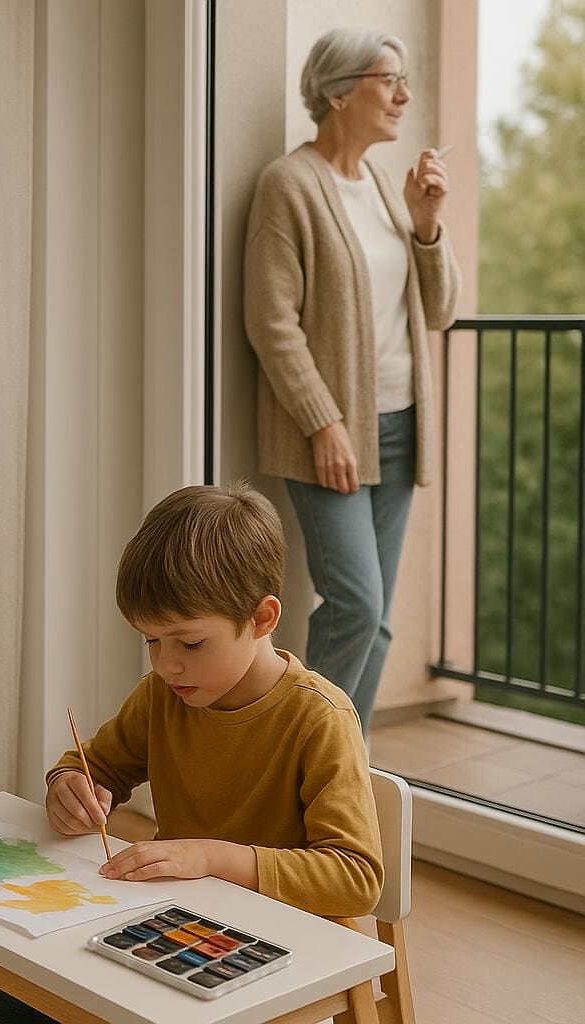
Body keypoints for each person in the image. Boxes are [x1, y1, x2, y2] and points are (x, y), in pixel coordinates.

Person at [0, 484, 383, 1024]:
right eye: (150, 641)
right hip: (176, 930)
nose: (167, 665)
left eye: (189, 644)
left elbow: (355, 878)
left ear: (262, 619)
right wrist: (69, 785)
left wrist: (212, 858)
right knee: (5, 1009)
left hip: (279, 959)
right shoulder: (163, 695)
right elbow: (97, 766)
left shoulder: (319, 718)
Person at [243, 28, 460, 738]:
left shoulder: (388, 193)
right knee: (357, 606)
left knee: (381, 623)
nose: (402, 95)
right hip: (330, 434)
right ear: (340, 91)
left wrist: (427, 226)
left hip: (398, 429)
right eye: (387, 79)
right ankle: (299, 762)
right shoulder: (290, 184)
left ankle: (341, 769)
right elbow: (271, 321)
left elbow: (440, 310)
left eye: (404, 82)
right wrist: (323, 422)